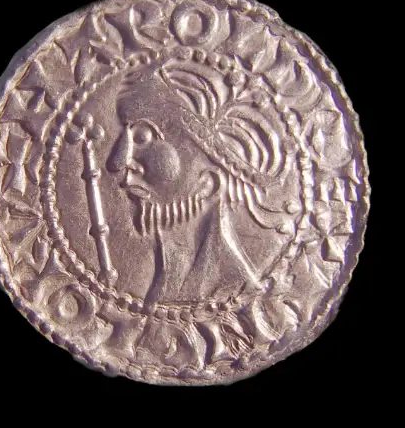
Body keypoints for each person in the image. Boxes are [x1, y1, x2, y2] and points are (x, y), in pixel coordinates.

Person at [106, 57, 293, 307]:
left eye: (143, 136)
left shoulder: (234, 294)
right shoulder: (170, 287)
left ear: (208, 184)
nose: (118, 161)